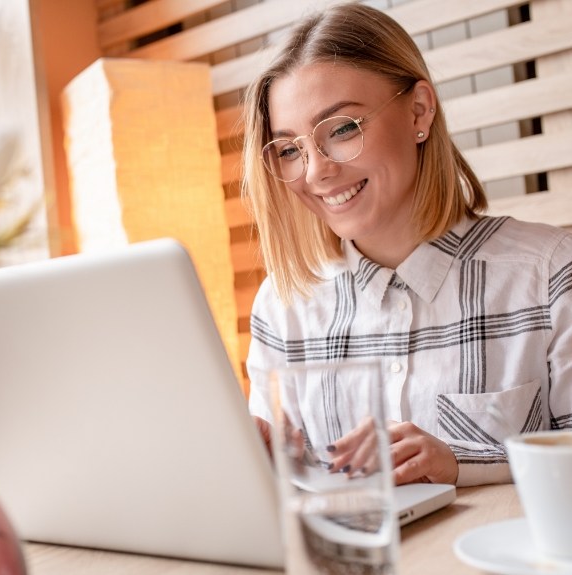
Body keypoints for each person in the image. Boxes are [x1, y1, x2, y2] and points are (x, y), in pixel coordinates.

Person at [241, 2, 572, 487]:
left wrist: (459, 463)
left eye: (342, 129)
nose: (316, 172)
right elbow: (284, 491)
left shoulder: (550, 273)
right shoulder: (281, 307)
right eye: (291, 149)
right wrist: (257, 462)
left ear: (419, 110)